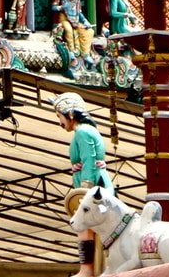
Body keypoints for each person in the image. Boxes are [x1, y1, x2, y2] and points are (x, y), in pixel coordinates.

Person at [56, 91, 112, 277]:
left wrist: (85, 190)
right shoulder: (87, 131)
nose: (60, 122)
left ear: (70, 114)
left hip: (92, 186)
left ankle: (86, 269)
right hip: (94, 183)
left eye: (59, 116)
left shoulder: (83, 132)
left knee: (82, 226)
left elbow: (90, 159)